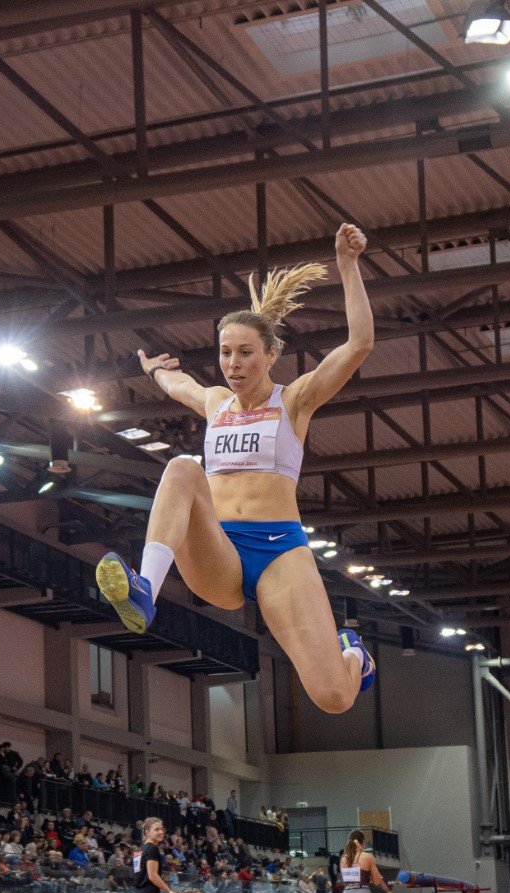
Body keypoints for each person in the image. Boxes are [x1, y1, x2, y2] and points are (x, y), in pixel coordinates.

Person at [94, 224, 378, 715]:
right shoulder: (216, 403)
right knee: (183, 468)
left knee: (333, 698)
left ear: (271, 354)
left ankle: (354, 654)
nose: (233, 364)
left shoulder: (295, 401)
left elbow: (359, 345)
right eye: (225, 352)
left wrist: (348, 266)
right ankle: (145, 590)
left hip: (280, 551)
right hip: (221, 551)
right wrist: (154, 369)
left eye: (245, 353)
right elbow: (179, 384)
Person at [132, 816, 182, 893]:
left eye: (162, 829)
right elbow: (152, 875)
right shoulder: (152, 849)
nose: (161, 832)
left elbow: (141, 874)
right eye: (156, 829)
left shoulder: (139, 850)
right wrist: (170, 892)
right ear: (147, 832)